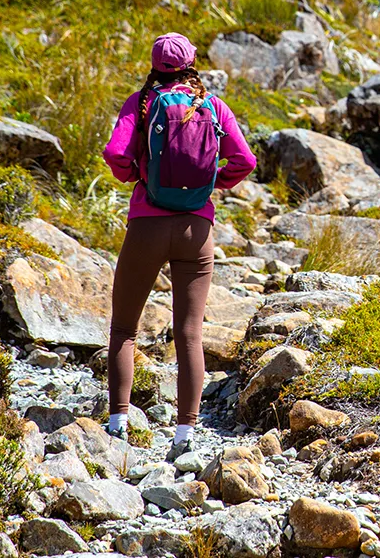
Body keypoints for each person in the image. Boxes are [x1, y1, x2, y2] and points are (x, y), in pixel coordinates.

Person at [101, 32, 256, 458]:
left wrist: (138, 177)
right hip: (197, 230)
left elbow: (116, 153)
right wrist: (211, 187)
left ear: (155, 65)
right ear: (191, 65)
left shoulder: (143, 103)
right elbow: (245, 160)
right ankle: (185, 434)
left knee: (124, 329)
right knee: (189, 334)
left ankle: (118, 423)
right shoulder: (212, 105)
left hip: (147, 225)